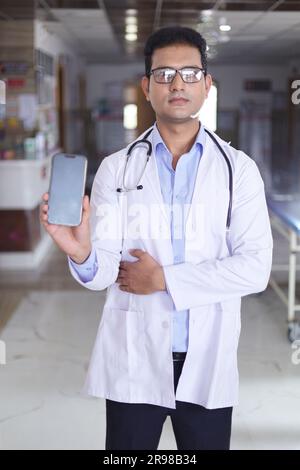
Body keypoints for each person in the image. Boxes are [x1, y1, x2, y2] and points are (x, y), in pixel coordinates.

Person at [40, 26, 273, 450]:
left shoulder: (239, 170)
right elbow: (106, 269)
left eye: (189, 73)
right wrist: (82, 252)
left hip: (207, 359)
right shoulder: (116, 168)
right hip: (134, 356)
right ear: (147, 87)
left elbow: (255, 269)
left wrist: (163, 279)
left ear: (207, 85)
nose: (178, 84)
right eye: (164, 75)